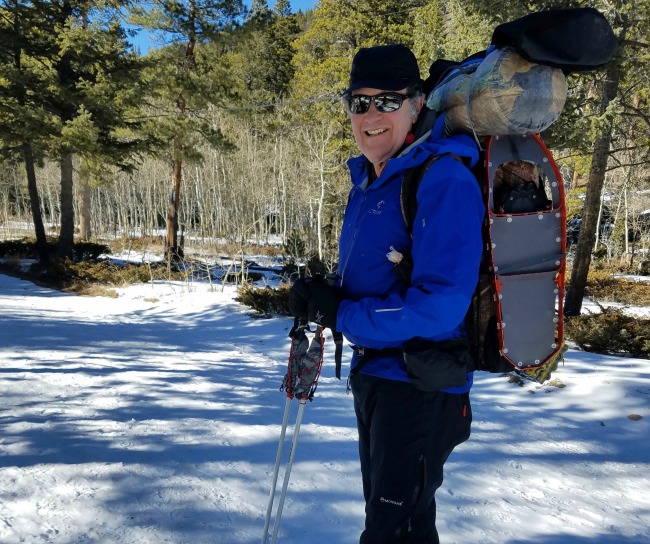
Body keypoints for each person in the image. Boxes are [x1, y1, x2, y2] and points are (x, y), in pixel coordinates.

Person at [289, 44, 485, 543]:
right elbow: (376, 277)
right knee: (406, 524)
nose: (370, 114)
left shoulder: (442, 177)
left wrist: (347, 315)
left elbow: (440, 303)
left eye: (387, 100)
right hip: (377, 374)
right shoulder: (370, 182)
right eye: (359, 103)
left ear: (417, 105)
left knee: (389, 532)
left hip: (419, 385)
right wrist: (322, 296)